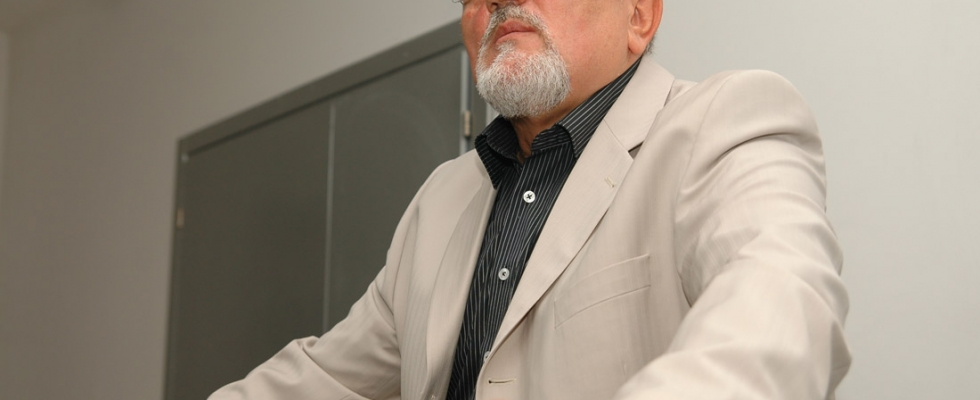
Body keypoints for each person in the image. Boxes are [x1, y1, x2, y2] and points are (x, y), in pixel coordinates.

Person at [210, 0, 851, 398]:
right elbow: (325, 380)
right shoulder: (439, 201)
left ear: (639, 15)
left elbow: (782, 304)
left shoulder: (726, 121)